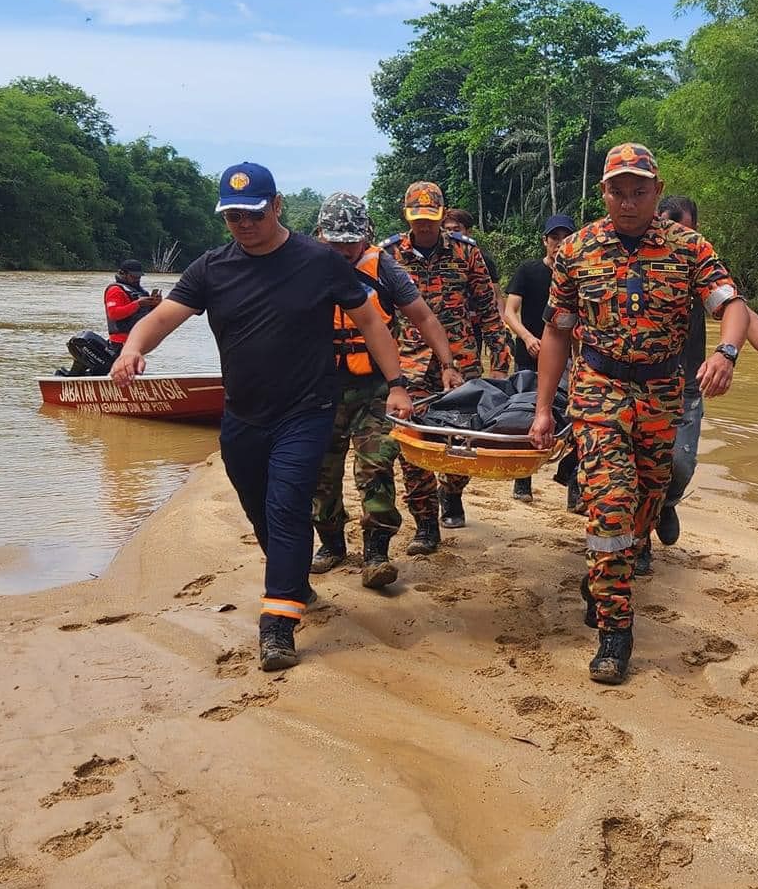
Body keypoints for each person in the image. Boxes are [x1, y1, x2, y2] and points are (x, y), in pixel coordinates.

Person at [113, 163, 414, 673]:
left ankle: (277, 624)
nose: (244, 224)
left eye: (253, 213)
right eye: (233, 216)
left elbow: (370, 320)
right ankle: (293, 582)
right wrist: (132, 349)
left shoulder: (319, 261)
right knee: (259, 510)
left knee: (287, 506)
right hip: (243, 415)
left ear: (276, 206)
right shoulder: (211, 268)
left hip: (306, 411)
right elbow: (162, 317)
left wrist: (398, 384)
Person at [530, 144, 750, 685]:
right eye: (618, 192)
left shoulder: (689, 248)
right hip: (598, 390)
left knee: (645, 508)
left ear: (657, 191)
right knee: (610, 505)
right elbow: (557, 332)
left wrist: (726, 353)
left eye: (639, 192)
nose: (628, 202)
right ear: (603, 193)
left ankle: (604, 579)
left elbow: (731, 306)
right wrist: (542, 409)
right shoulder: (576, 250)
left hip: (661, 394)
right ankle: (615, 630)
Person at [310, 192, 464, 591]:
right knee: (320, 473)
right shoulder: (302, 265)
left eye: (351, 241)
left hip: (376, 388)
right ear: (320, 235)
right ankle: (331, 544)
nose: (345, 250)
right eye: (335, 242)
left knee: (376, 468)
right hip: (319, 390)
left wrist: (447, 365)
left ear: (366, 233)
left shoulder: (385, 267)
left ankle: (376, 553)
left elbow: (423, 317)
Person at [635, 195, 758, 576]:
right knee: (637, 467)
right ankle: (639, 544)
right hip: (640, 383)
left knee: (680, 464)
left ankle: (668, 502)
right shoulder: (636, 260)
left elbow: (742, 312)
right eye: (672, 227)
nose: (679, 237)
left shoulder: (699, 266)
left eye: (687, 229)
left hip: (687, 385)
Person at [381, 182, 504, 550]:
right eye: (417, 218)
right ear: (406, 216)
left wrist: (500, 360)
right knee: (413, 443)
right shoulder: (388, 254)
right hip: (411, 363)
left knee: (464, 438)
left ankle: (451, 490)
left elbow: (488, 309)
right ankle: (425, 524)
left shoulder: (466, 252)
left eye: (431, 218)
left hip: (461, 362)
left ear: (442, 214)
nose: (424, 225)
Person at [500, 212, 575, 500]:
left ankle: (573, 483)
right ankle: (523, 480)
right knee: (526, 415)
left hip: (569, 359)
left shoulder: (578, 273)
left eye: (565, 238)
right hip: (530, 355)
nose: (559, 243)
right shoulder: (528, 271)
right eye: (554, 237)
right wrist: (528, 337)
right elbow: (509, 312)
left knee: (575, 417)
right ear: (545, 241)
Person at [103, 259, 162, 345]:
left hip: (138, 338)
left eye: (139, 277)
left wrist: (155, 304)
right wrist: (138, 304)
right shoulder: (115, 290)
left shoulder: (141, 292)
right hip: (121, 341)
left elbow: (148, 314)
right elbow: (113, 314)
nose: (137, 279)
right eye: (133, 276)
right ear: (123, 274)